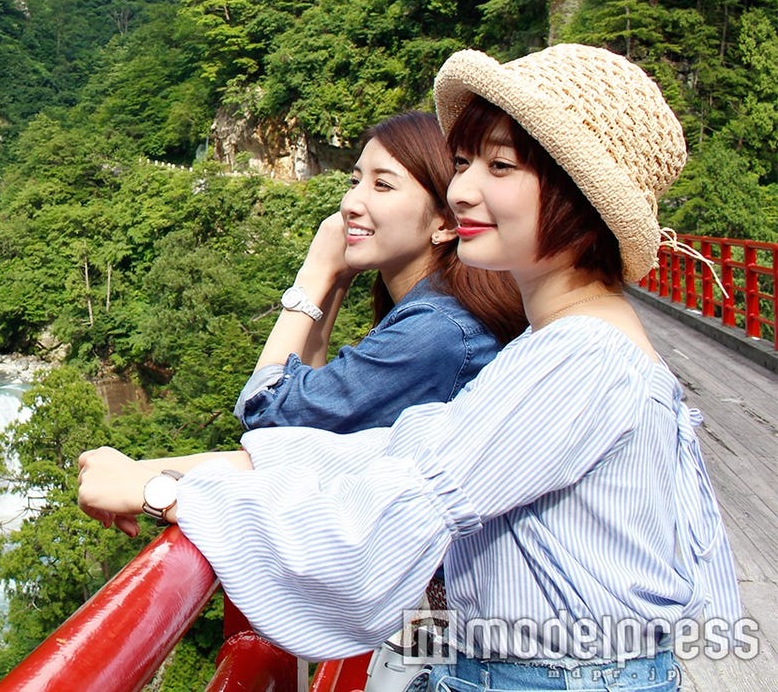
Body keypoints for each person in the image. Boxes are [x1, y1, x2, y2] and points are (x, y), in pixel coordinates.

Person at [78, 44, 742, 691]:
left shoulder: (580, 360)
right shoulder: (574, 347)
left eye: (501, 166)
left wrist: (167, 497)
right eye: (462, 163)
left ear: (580, 195)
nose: (464, 190)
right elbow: (388, 453)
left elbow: (384, 517)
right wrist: (158, 472)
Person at [239, 110, 525, 435]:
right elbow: (314, 427)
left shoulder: (437, 331)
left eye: (382, 185)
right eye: (355, 181)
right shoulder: (438, 312)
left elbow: (264, 411)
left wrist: (313, 275)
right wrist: (335, 281)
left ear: (446, 222)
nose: (350, 203)